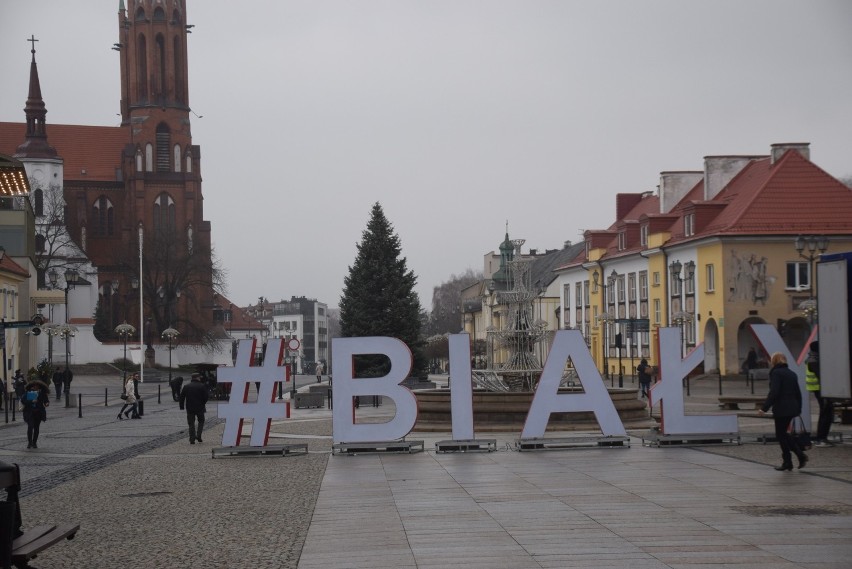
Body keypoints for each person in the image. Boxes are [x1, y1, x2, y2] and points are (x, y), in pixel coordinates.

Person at [758, 352, 807, 471]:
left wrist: (764, 408)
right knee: (783, 434)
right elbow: (798, 393)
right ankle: (797, 457)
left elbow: (774, 392)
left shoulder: (776, 373)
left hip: (782, 408)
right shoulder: (792, 373)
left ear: (773, 361)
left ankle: (790, 460)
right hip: (792, 408)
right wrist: (798, 408)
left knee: (781, 435)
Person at [805, 341, 834, 447]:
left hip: (820, 389)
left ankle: (822, 437)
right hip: (820, 390)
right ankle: (821, 438)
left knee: (826, 413)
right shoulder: (814, 361)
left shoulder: (813, 359)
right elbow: (822, 376)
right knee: (825, 413)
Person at [179, 373, 209, 444]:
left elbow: (182, 397)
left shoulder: (186, 386)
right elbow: (206, 397)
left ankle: (192, 439)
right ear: (198, 378)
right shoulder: (202, 386)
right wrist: (203, 403)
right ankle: (198, 435)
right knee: (201, 421)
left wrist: (182, 406)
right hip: (200, 407)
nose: (200, 378)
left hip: (190, 408)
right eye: (200, 377)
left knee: (191, 424)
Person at [21, 380, 49, 449]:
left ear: (39, 386)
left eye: (37, 386)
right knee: (30, 427)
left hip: (38, 412)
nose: (35, 387)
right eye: (34, 386)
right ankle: (29, 442)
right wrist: (31, 401)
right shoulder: (28, 392)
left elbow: (46, 400)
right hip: (29, 412)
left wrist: (47, 403)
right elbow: (23, 400)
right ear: (32, 386)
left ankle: (34, 443)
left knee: (36, 428)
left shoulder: (42, 393)